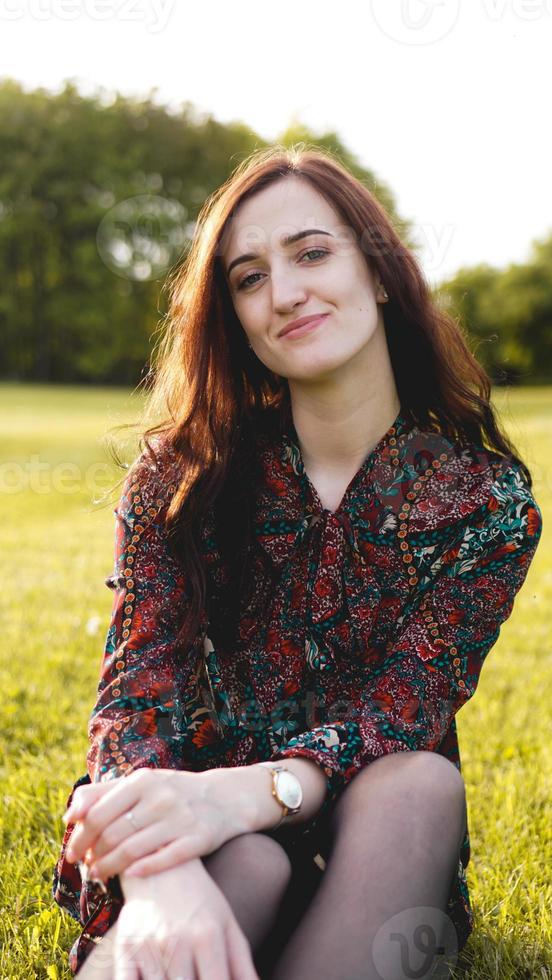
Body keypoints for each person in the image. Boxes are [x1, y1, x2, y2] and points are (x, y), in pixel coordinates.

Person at [52, 145, 543, 980]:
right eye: (248, 278)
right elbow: (138, 692)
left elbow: (400, 711)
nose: (284, 294)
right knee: (249, 863)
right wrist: (165, 869)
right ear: (234, 316)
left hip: (376, 837)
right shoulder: (182, 477)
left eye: (312, 253)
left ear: (381, 275)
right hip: (202, 831)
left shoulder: (483, 502)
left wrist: (247, 793)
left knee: (419, 782)